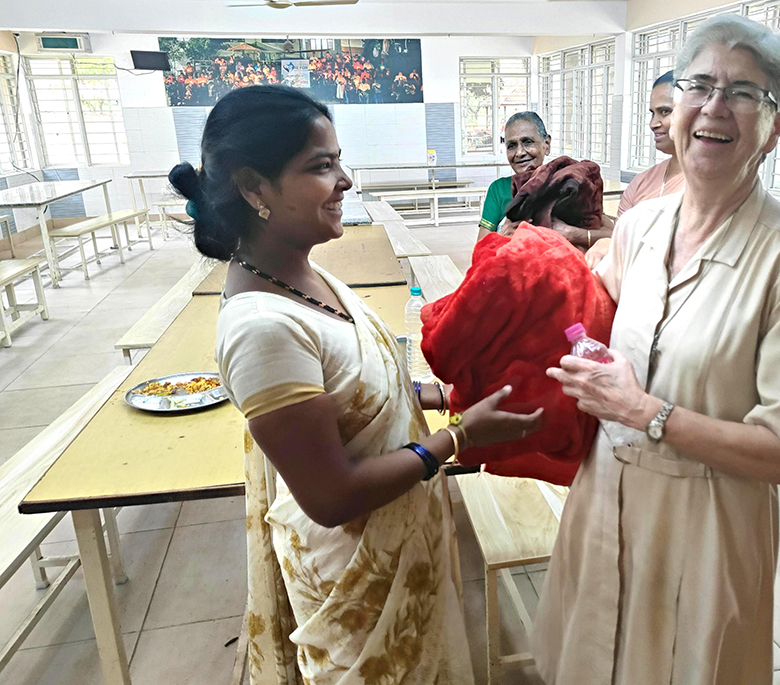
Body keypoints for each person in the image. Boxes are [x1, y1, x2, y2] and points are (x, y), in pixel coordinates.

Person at [169, 86, 543, 685]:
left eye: (339, 160)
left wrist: (451, 396)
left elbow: (360, 388)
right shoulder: (262, 328)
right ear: (253, 187)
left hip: (400, 546)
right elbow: (331, 495)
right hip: (356, 577)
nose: (345, 180)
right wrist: (457, 440)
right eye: (321, 166)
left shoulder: (303, 274)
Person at [532, 14, 780, 685]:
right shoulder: (640, 227)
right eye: (698, 84)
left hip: (703, 526)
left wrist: (648, 410)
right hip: (603, 500)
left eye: (743, 92)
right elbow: (581, 324)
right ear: (674, 106)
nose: (713, 106)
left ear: (776, 125)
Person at [586, 70, 685, 268]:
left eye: (665, 111)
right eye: (652, 113)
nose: (653, 124)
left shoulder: (710, 189)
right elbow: (619, 241)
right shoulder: (641, 181)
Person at [478, 112, 614, 249]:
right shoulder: (499, 189)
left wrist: (572, 234)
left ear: (546, 144)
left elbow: (613, 234)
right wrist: (502, 237)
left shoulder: (568, 182)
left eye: (527, 142)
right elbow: (480, 250)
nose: (519, 152)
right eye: (512, 145)